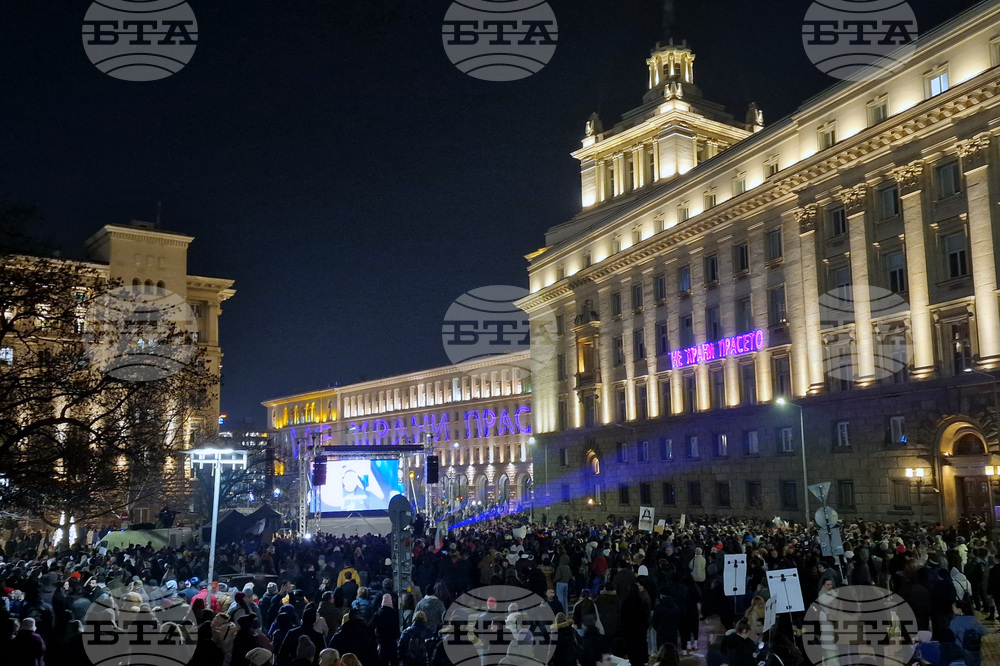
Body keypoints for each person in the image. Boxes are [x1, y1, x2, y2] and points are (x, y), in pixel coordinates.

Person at [949, 601, 985, 666]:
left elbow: (951, 635)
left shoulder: (955, 622)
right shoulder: (974, 619)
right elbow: (983, 631)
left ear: (959, 610)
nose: (952, 609)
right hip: (975, 650)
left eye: (953, 608)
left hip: (961, 650)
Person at [372, 594, 400, 666]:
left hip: (382, 642)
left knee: (383, 661)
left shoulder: (378, 614)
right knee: (394, 661)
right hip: (392, 642)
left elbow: (372, 626)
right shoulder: (394, 613)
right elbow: (397, 628)